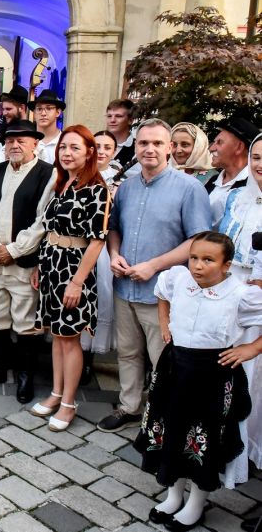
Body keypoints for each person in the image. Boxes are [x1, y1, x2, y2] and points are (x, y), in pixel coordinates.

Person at [134, 232, 262, 530]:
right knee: (172, 430)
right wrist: (165, 322)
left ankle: (196, 502)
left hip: (211, 374)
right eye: (194, 258)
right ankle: (173, 494)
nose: (198, 265)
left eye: (208, 260)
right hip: (175, 368)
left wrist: (252, 348)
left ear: (226, 265)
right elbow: (162, 292)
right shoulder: (179, 279)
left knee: (201, 438)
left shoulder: (240, 294)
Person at [97, 119, 212, 433]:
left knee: (162, 358)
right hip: (125, 287)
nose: (150, 149)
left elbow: (198, 240)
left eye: (157, 143)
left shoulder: (189, 188)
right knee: (128, 352)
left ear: (170, 148)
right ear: (135, 147)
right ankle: (130, 407)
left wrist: (154, 265)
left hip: (161, 293)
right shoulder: (127, 187)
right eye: (143, 143)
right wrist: (115, 254)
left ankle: (161, 417)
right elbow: (114, 228)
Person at [29, 126, 110, 431]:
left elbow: (97, 240)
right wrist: (40, 266)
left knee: (70, 338)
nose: (67, 153)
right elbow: (49, 230)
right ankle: (56, 392)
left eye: (75, 148)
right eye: (63, 147)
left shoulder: (97, 189)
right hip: (52, 264)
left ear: (89, 152)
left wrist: (76, 282)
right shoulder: (62, 184)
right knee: (57, 335)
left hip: (74, 268)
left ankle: (68, 403)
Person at [0, 120, 56, 403]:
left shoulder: (48, 174)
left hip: (23, 262)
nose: (15, 145)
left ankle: (25, 377)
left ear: (35, 144)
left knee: (26, 322)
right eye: (10, 141)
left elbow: (43, 220)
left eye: (22, 140)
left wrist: (15, 250)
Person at [219, 132, 262, 478]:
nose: (261, 165)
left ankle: (250, 448)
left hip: (259, 302)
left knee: (254, 378)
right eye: (257, 157)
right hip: (231, 291)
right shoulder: (237, 197)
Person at [79, 130, 119, 384]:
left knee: (97, 298)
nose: (102, 151)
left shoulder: (119, 179)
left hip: (101, 248)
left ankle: (88, 358)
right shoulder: (79, 174)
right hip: (77, 244)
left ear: (114, 152)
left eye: (108, 147)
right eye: (97, 146)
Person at [208, 116, 257, 226]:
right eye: (214, 142)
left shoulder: (254, 184)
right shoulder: (212, 181)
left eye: (219, 142)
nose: (211, 148)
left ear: (239, 148)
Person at [0, 85, 28, 161]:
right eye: (3, 109)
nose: (4, 113)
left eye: (8, 109)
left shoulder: (35, 133)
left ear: (22, 108)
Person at [170, 122, 216, 186]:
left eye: (185, 144)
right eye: (174, 145)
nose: (178, 150)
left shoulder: (214, 179)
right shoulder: (162, 173)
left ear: (198, 147)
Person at [27, 89, 65, 164]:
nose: (43, 113)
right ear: (34, 113)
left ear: (58, 112)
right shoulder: (26, 142)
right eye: (39, 109)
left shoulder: (65, 141)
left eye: (49, 108)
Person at [106, 99, 136, 170]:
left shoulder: (137, 148)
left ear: (130, 120)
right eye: (109, 116)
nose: (112, 120)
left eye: (118, 116)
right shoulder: (95, 142)